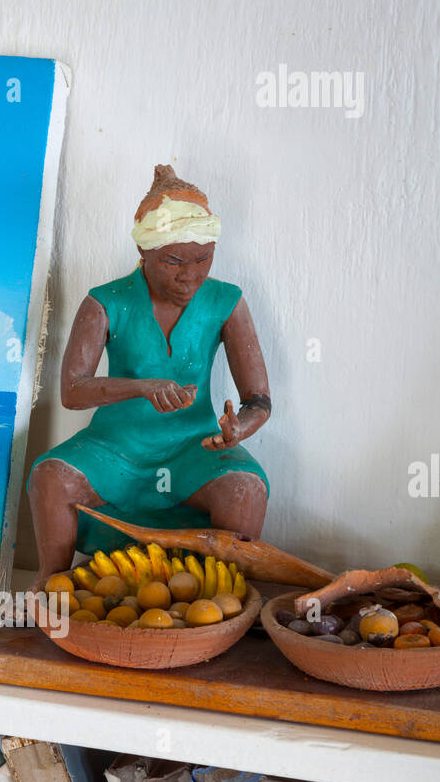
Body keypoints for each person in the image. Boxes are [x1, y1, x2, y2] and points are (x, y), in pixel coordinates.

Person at [29, 164, 271, 585]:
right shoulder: (104, 302)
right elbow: (72, 391)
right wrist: (142, 387)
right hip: (114, 447)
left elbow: (259, 400)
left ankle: (224, 595)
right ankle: (53, 586)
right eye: (174, 261)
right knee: (52, 478)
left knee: (244, 489)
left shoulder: (226, 301)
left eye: (203, 259)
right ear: (144, 252)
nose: (190, 275)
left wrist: (239, 428)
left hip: (195, 448)